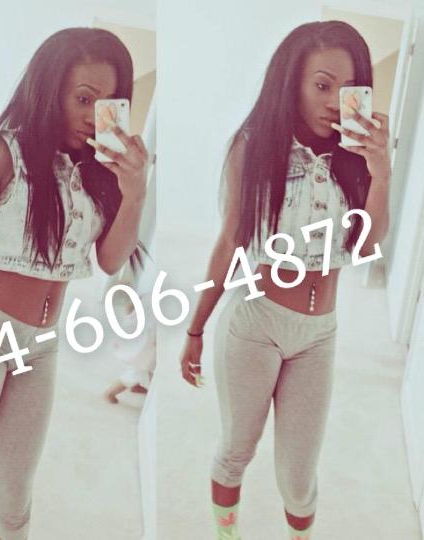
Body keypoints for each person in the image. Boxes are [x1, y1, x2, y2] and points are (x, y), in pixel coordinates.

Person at [0, 27, 148, 540]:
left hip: (41, 346)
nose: (94, 116)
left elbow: (110, 261)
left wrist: (135, 191)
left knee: (15, 494)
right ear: (49, 91)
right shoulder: (2, 151)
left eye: (108, 104)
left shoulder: (100, 172)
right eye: (83, 99)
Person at [180, 21, 390, 540]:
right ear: (291, 83)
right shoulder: (253, 147)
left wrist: (381, 171)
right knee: (237, 450)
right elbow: (229, 243)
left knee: (298, 478)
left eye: (348, 89)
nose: (335, 102)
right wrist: (195, 328)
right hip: (256, 323)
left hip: (319, 335)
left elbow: (366, 247)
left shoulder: (357, 160)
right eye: (322, 85)